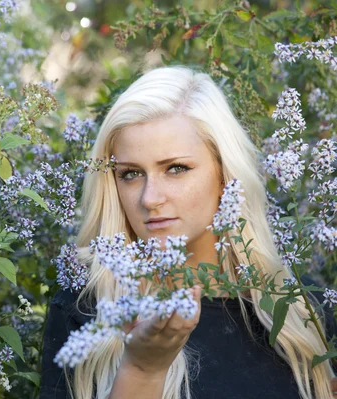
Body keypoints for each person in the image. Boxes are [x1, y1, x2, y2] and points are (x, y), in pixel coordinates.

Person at [39, 66, 337, 399]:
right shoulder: (89, 309)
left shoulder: (302, 312)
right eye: (131, 174)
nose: (150, 198)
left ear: (224, 172)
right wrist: (142, 369)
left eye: (176, 169)